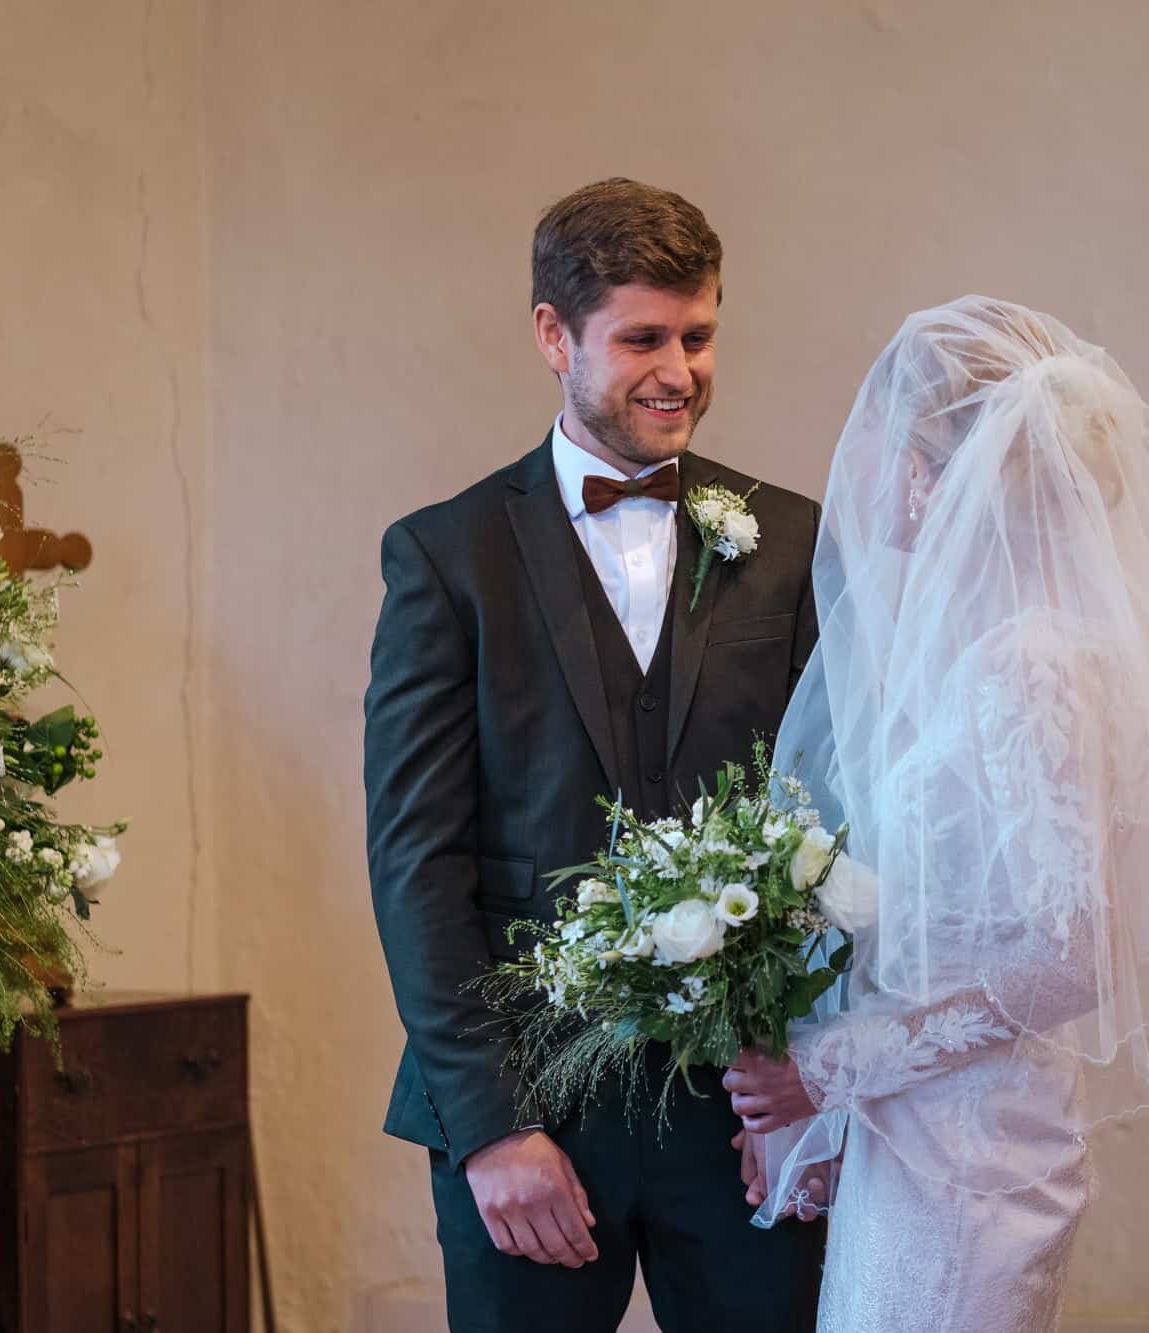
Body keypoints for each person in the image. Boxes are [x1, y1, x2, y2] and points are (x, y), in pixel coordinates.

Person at [722, 297, 1149, 1331]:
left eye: (880, 447)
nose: (864, 473)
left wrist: (823, 1070)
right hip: (913, 1137)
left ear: (930, 475)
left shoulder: (1030, 668)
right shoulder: (984, 655)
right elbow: (939, 923)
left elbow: (1068, 955)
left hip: (975, 1159)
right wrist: (831, 1118)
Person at [364, 178, 824, 1332]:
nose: (678, 370)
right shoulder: (445, 556)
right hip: (528, 1117)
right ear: (551, 335)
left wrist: (808, 1089)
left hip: (737, 1115)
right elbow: (419, 860)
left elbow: (841, 815)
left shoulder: (795, 542)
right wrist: (492, 1125)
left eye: (699, 335)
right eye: (642, 339)